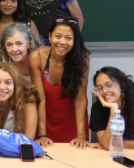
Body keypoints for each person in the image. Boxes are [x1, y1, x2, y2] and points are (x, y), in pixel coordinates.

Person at [29, 15, 91, 149]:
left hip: (73, 121)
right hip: (44, 120)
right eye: (58, 36)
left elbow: (80, 99)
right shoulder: (36, 57)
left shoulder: (82, 60)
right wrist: (42, 134)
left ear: (75, 40)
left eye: (68, 38)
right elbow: (40, 98)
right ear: (50, 36)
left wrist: (81, 135)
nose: (62, 42)